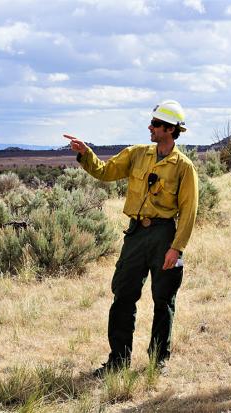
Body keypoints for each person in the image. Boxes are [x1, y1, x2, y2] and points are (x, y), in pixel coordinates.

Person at [64, 100, 198, 377]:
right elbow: (105, 172)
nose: (151, 127)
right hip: (136, 234)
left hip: (164, 235)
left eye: (157, 124)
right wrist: (86, 153)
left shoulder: (183, 167)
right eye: (152, 122)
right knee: (123, 296)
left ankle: (158, 361)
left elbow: (189, 211)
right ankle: (118, 361)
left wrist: (177, 248)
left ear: (171, 130)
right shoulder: (137, 154)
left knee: (163, 300)